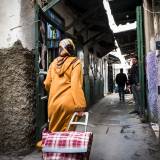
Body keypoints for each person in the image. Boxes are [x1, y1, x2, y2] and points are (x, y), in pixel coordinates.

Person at [36, 38, 86, 148]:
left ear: (60, 49)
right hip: (69, 104)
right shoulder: (75, 63)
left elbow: (47, 84)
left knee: (54, 135)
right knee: (66, 136)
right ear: (71, 49)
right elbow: (76, 85)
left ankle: (52, 153)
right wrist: (80, 106)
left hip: (53, 104)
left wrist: (55, 92)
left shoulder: (53, 63)